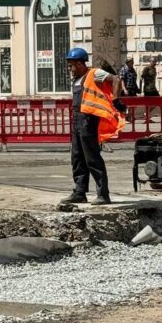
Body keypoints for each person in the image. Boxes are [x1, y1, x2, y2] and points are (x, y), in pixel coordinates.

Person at [62, 48, 126, 205]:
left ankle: (103, 194)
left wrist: (116, 99)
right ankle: (79, 192)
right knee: (77, 159)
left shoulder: (94, 74)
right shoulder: (77, 80)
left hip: (88, 122)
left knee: (93, 159)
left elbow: (116, 79)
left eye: (72, 65)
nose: (70, 69)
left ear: (80, 63)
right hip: (77, 122)